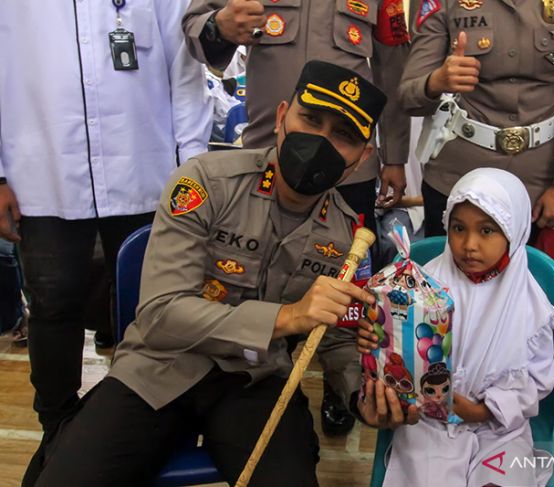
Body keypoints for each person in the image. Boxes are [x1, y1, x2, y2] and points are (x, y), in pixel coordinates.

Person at [22, 61, 415, 487]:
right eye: (311, 119)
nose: (320, 141)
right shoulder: (207, 183)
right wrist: (286, 318)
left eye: (343, 136)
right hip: (160, 367)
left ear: (361, 158)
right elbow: (160, 313)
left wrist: (362, 395)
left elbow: (338, 336)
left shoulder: (347, 235)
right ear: (282, 117)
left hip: (254, 380)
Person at [182, 0, 413, 435]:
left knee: (344, 291)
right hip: (264, 159)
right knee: (244, 275)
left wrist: (395, 156)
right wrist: (219, 26)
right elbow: (197, 27)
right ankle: (237, 375)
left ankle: (338, 385)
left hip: (349, 171)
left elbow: (392, 70)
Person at [0, 1, 212, 434]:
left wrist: (194, 169)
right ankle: (57, 424)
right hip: (43, 174)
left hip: (147, 173)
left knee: (152, 305)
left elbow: (186, 71)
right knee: (52, 305)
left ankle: (143, 418)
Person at [358, 168, 554, 486]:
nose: (469, 244)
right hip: (428, 423)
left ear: (515, 231)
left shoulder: (531, 307)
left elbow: (538, 380)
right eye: (458, 228)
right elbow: (396, 346)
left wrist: (485, 411)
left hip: (499, 428)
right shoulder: (421, 285)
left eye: (487, 231)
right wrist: (375, 339)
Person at [400, 0, 554, 237]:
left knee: (529, 271)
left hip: (540, 185)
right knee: (442, 272)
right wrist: (435, 82)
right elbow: (408, 96)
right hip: (456, 177)